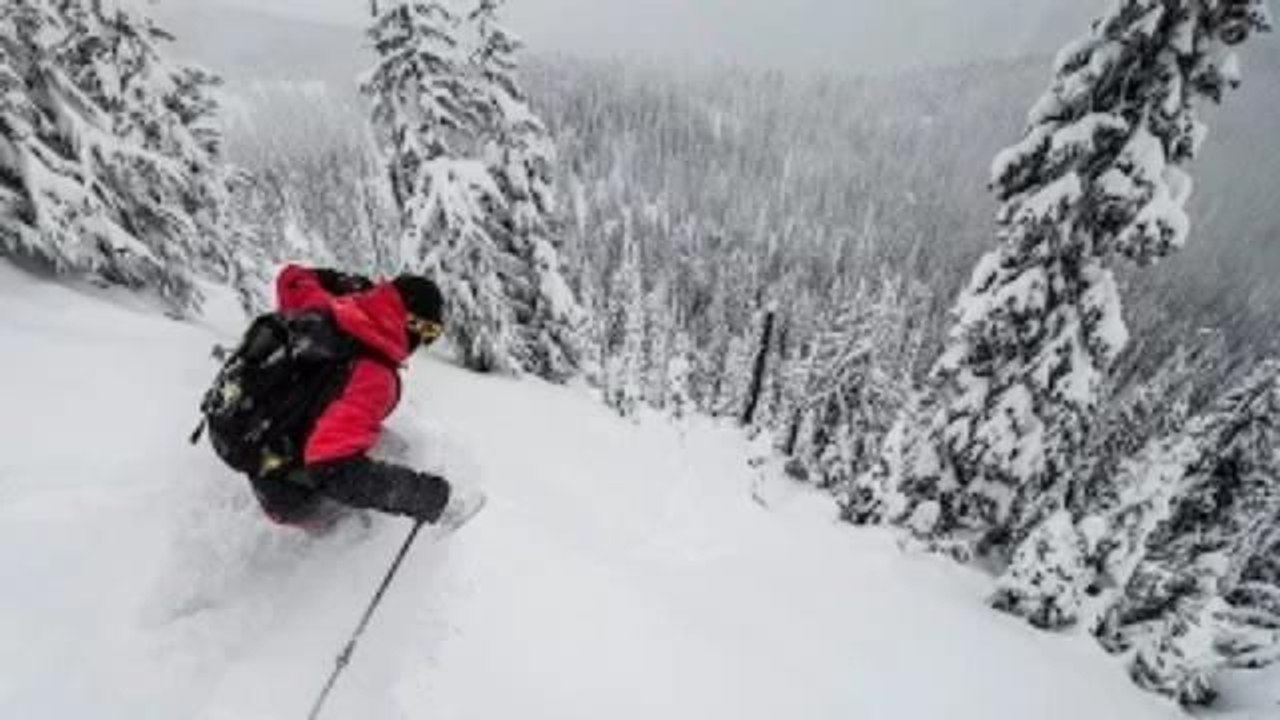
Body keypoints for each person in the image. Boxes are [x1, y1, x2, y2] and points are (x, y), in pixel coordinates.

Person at [249, 263, 483, 532]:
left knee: (397, 449)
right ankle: (321, 550)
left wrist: (342, 282)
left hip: (263, 439)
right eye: (428, 332)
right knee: (362, 525)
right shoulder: (372, 375)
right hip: (288, 489)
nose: (423, 343)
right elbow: (330, 467)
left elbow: (291, 279)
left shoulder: (328, 312)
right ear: (411, 323)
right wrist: (421, 497)